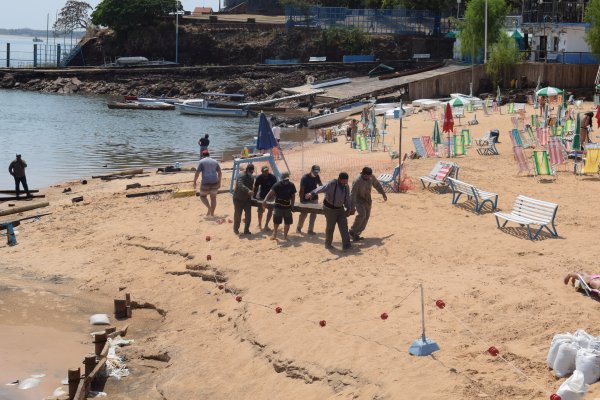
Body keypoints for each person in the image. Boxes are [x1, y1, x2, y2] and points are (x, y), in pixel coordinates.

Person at [307, 172, 354, 250]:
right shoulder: (332, 184)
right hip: (330, 209)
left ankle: (346, 245)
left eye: (346, 181)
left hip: (340, 209)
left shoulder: (346, 186)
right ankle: (328, 244)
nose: (345, 183)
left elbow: (347, 198)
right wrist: (312, 193)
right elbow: (321, 188)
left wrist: (348, 208)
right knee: (330, 228)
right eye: (344, 181)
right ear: (339, 179)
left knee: (344, 227)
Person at [349, 167, 387, 241]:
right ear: (363, 174)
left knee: (366, 217)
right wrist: (352, 207)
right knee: (362, 214)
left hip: (367, 200)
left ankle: (356, 234)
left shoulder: (371, 177)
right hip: (358, 200)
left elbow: (377, 185)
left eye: (369, 176)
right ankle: (352, 231)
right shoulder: (357, 181)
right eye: (366, 176)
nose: (368, 178)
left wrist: (383, 193)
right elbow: (353, 194)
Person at [263, 172, 296, 241]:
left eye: (287, 180)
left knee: (288, 222)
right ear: (282, 179)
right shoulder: (277, 185)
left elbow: (293, 196)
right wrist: (265, 200)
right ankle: (275, 233)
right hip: (278, 207)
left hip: (287, 207)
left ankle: (285, 236)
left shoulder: (291, 185)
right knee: (276, 222)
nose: (286, 182)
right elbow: (270, 193)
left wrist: (292, 206)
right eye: (284, 180)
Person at [193, 150, 222, 216]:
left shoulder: (201, 162)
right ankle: (212, 213)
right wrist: (220, 182)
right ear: (209, 154)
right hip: (215, 181)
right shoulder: (215, 161)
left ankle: (209, 208)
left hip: (205, 182)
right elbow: (220, 172)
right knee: (213, 198)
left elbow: (197, 172)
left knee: (202, 196)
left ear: (202, 155)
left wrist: (194, 181)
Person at [296, 165, 322, 235]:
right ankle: (299, 227)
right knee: (304, 214)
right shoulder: (304, 178)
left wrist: (324, 189)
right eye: (315, 172)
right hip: (305, 199)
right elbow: (301, 190)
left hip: (314, 198)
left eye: (317, 172)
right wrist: (302, 201)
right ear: (311, 170)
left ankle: (310, 230)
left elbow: (320, 186)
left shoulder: (317, 176)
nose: (316, 173)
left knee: (314, 214)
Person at [232, 164, 255, 235]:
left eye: (252, 172)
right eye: (250, 172)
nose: (251, 173)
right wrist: (248, 190)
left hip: (247, 199)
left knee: (248, 215)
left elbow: (252, 186)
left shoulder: (251, 177)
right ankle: (236, 229)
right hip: (238, 199)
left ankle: (246, 230)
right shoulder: (241, 175)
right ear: (247, 170)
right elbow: (240, 184)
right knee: (238, 215)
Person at [253, 165, 277, 231]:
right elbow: (256, 187)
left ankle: (266, 225)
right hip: (262, 196)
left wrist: (276, 197)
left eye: (267, 171)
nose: (266, 172)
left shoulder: (272, 177)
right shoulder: (259, 178)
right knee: (260, 210)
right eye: (264, 171)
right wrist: (254, 196)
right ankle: (259, 224)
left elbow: (276, 188)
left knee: (270, 210)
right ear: (262, 172)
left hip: (271, 196)